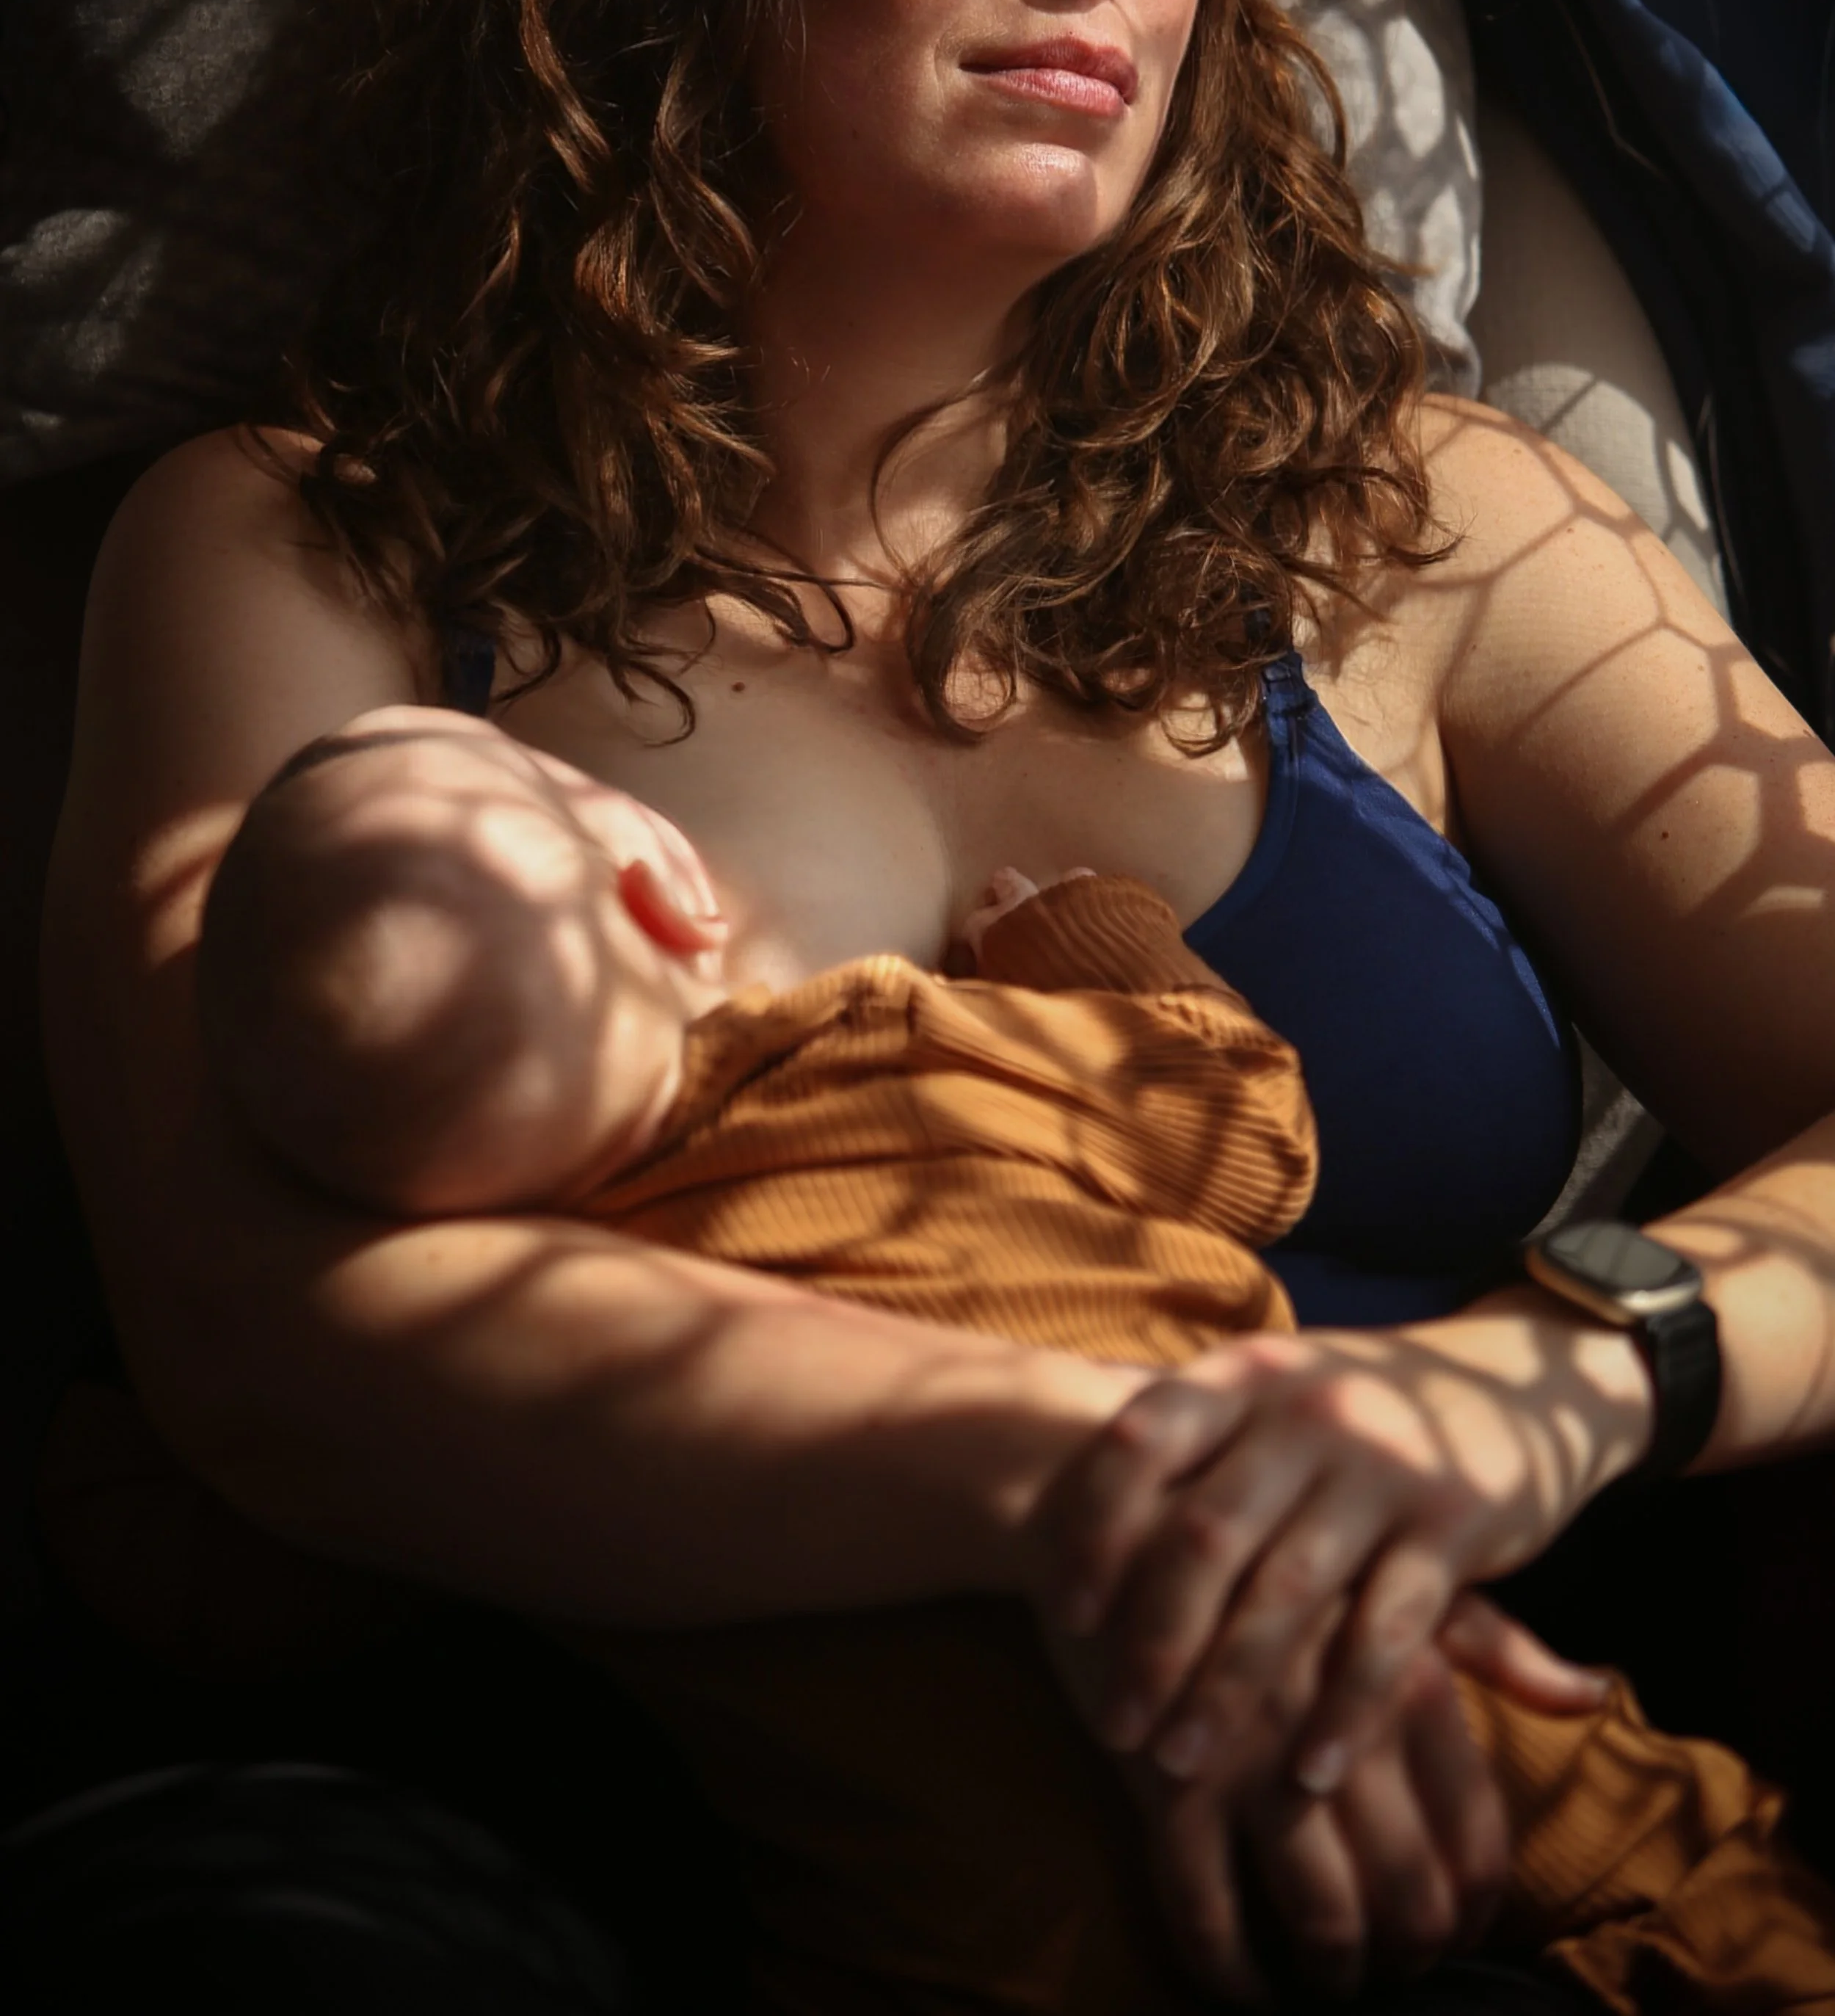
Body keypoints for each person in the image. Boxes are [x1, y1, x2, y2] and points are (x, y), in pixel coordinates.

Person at [40, 0, 1835, 2006]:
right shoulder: (309, 546)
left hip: (1457, 1798)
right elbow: (257, 1355)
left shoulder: (1412, 512)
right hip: (653, 1884)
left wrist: (1544, 1393)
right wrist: (1102, 1491)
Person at [195, 715, 1835, 2015]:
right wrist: (1090, 936)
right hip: (1374, 1687)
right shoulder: (876, 1059)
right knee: (1660, 1872)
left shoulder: (542, 1379)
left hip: (962, 1942)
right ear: (669, 891)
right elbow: (1241, 1126)